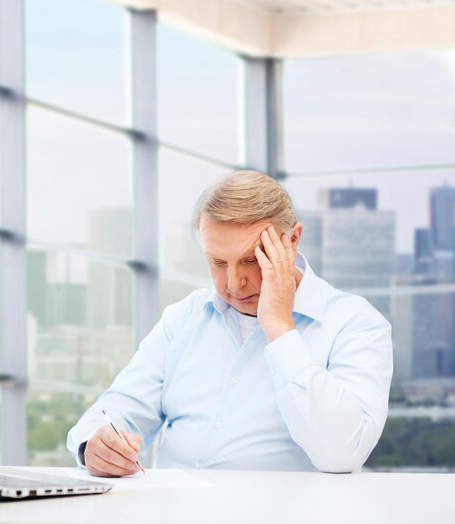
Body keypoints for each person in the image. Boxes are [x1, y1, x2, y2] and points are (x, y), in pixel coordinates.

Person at [67, 170, 393, 477]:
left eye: (252, 260)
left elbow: (341, 455)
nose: (234, 283)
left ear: (292, 240)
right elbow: (120, 409)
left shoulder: (354, 325)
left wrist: (279, 326)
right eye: (218, 262)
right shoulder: (184, 318)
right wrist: (95, 446)